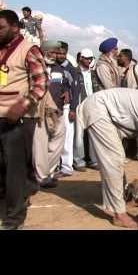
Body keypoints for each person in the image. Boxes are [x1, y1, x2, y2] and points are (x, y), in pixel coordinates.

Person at [76, 88, 138, 228]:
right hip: (97, 109)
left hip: (105, 110)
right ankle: (119, 214)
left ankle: (122, 200)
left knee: (117, 158)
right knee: (114, 161)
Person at [0, 10, 48, 229]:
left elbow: (41, 84)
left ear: (15, 27)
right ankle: (25, 189)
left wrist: (23, 104)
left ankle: (14, 218)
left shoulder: (29, 49)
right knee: (4, 167)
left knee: (14, 170)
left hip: (17, 120)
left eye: (0, 28)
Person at [32, 41, 68, 186]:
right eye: (52, 52)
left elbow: (65, 84)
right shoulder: (34, 64)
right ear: (44, 52)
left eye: (56, 53)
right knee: (40, 143)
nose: (54, 55)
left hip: (55, 110)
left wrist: (66, 91)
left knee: (60, 134)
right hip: (38, 110)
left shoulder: (57, 68)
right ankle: (41, 177)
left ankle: (49, 172)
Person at [55, 41, 80, 179]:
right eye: (58, 52)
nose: (60, 55)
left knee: (67, 138)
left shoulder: (70, 69)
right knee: (56, 138)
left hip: (66, 108)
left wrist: (73, 109)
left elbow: (76, 91)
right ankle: (56, 166)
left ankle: (66, 167)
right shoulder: (54, 67)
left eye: (63, 53)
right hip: (55, 108)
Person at [73, 48, 99, 171]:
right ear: (81, 58)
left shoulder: (93, 73)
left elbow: (97, 89)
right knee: (79, 135)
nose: (89, 61)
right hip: (79, 106)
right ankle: (79, 161)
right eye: (87, 58)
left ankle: (93, 160)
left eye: (90, 58)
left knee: (93, 133)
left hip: (93, 106)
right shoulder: (75, 72)